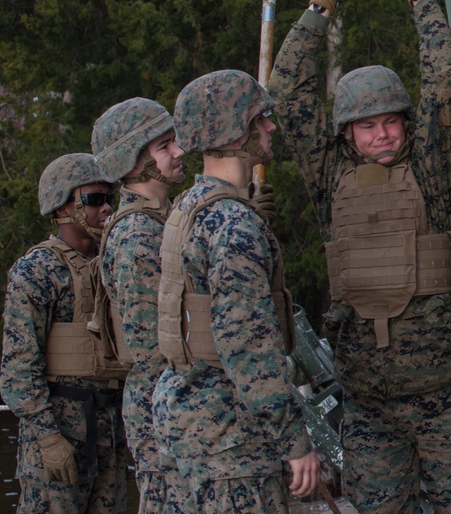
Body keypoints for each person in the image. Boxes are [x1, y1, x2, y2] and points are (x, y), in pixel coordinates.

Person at [268, 0, 451, 513]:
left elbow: (446, 84)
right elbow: (289, 93)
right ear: (346, 133)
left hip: (445, 396)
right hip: (368, 403)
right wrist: (321, 7)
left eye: (392, 120)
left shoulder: (433, 169)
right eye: (368, 125)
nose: (383, 133)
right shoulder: (329, 176)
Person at [152, 69, 319, 510]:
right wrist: (294, 440)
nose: (270, 127)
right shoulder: (234, 224)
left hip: (187, 423)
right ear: (235, 131)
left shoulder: (186, 209)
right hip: (232, 437)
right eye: (260, 119)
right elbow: (249, 347)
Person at [1, 152, 128, 512]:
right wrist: (47, 437)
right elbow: (18, 369)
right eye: (94, 199)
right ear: (62, 209)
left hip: (112, 434)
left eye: (109, 198)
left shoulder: (117, 262)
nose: (106, 208)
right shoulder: (36, 272)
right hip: (60, 435)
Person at [91, 97, 187, 512]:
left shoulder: (165, 219)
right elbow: (154, 351)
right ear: (133, 163)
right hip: (164, 408)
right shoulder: (136, 236)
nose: (179, 151)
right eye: (164, 146)